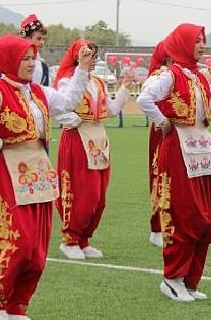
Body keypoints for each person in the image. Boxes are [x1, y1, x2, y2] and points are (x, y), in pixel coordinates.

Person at [0, 34, 91, 320]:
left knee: (36, 246)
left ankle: (18, 306)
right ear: (8, 60)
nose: (31, 63)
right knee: (14, 240)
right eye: (25, 59)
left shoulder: (39, 92)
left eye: (33, 58)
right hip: (6, 173)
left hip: (37, 173)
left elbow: (68, 102)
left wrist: (81, 69)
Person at [137, 23, 211, 302]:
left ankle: (189, 279)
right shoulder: (169, 75)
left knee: (208, 217)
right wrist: (163, 121)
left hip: (202, 150)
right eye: (197, 41)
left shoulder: (200, 78)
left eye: (203, 40)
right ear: (182, 44)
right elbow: (144, 98)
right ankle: (172, 277)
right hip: (177, 149)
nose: (202, 45)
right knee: (184, 214)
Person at [53, 39, 131, 260]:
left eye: (95, 55)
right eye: (89, 55)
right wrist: (74, 120)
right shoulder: (66, 82)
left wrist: (124, 87)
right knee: (80, 193)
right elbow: (60, 109)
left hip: (98, 140)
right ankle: (70, 239)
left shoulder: (98, 83)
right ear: (78, 56)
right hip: (77, 139)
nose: (93, 59)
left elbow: (112, 110)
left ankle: (84, 238)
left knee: (98, 196)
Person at [144, 40, 170, 248]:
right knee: (160, 178)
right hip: (163, 131)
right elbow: (146, 100)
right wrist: (162, 120)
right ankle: (157, 228)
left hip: (180, 133)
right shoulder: (158, 77)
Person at [19, 14, 49, 86]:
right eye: (38, 38)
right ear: (27, 39)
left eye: (43, 39)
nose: (42, 42)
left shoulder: (43, 66)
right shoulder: (14, 62)